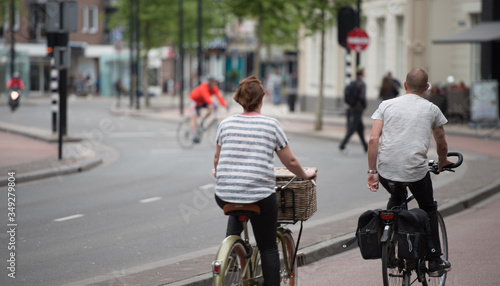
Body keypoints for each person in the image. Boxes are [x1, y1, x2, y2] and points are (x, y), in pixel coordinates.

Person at [213, 76, 316, 285]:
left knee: (238, 201)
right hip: (259, 196)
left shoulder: (225, 124)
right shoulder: (271, 125)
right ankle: (243, 252)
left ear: (239, 100)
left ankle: (234, 249)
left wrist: (219, 172)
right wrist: (305, 174)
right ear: (261, 100)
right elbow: (290, 160)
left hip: (224, 195)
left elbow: (217, 159)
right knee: (268, 246)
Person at [367, 68, 455, 277]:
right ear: (426, 88)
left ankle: (388, 250)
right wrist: (442, 161)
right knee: (428, 207)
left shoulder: (386, 105)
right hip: (416, 172)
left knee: (396, 197)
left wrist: (372, 171)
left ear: (405, 85)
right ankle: (434, 259)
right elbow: (441, 142)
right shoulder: (431, 109)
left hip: (387, 171)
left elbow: (373, 139)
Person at [189, 77, 227, 143]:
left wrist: (225, 105)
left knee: (210, 109)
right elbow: (206, 97)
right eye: (213, 82)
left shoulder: (214, 88)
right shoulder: (203, 87)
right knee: (194, 117)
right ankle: (194, 135)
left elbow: (219, 96)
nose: (214, 84)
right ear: (210, 82)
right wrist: (212, 103)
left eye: (215, 82)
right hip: (194, 100)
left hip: (202, 101)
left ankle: (202, 120)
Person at [339, 68, 368, 153]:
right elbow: (362, 97)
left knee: (360, 128)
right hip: (358, 108)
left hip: (352, 108)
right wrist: (364, 105)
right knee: (352, 129)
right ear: (362, 73)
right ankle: (342, 145)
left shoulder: (353, 83)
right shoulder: (362, 84)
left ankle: (366, 147)